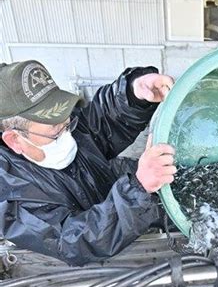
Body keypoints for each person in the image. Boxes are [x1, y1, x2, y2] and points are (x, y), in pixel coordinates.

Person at [0, 60, 176, 266]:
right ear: (15, 140)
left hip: (120, 207)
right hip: (100, 269)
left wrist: (132, 94)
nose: (68, 135)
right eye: (56, 133)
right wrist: (137, 189)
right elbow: (74, 241)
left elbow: (96, 126)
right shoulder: (11, 198)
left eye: (67, 124)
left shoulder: (49, 127)